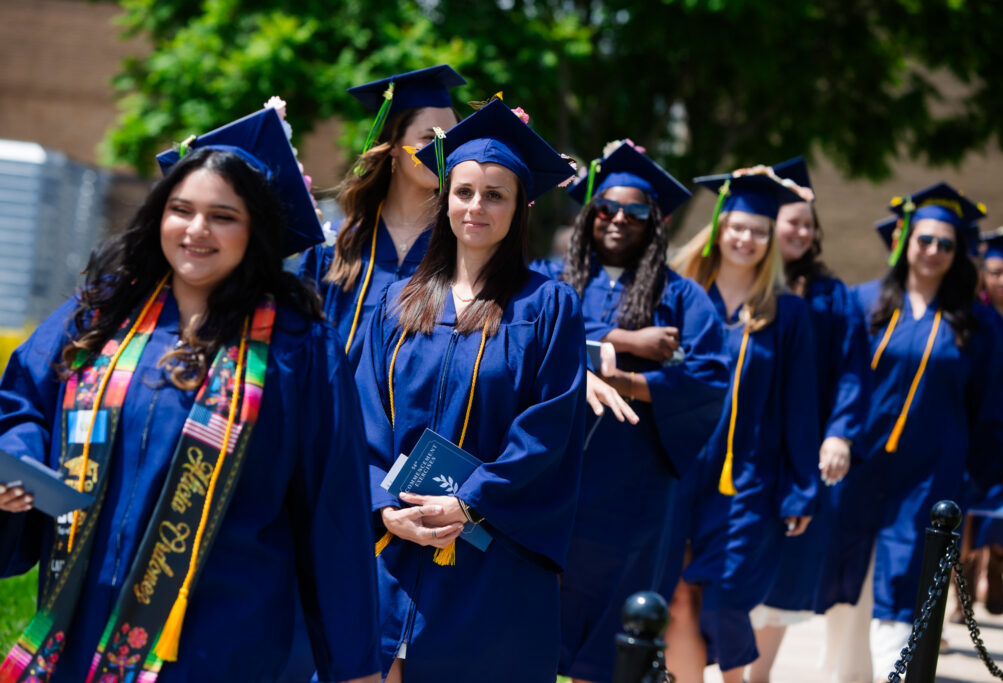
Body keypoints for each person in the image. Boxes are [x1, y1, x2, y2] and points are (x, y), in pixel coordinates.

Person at [0, 106, 380, 683]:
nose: (196, 230)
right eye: (182, 210)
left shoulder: (298, 348)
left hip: (218, 639)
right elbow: (22, 399)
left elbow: (333, 510)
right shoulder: (106, 315)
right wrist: (22, 462)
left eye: (222, 216)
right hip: (81, 618)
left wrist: (354, 666)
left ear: (256, 232)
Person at [355, 100, 585, 683]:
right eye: (463, 192)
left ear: (520, 207)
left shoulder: (547, 307)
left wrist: (470, 499)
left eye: (495, 194)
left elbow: (548, 428)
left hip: (492, 551)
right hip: (396, 542)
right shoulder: (397, 302)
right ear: (446, 198)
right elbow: (361, 414)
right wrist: (385, 505)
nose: (475, 207)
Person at [532, 141, 729, 683]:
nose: (619, 219)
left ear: (655, 222)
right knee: (535, 620)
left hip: (634, 496)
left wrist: (627, 381)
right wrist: (626, 338)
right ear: (589, 213)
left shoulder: (684, 297)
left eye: (636, 211)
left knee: (618, 630)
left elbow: (711, 380)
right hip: (552, 480)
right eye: (607, 208)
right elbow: (519, 341)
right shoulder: (549, 279)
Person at [850, 183, 1003, 680]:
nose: (933, 251)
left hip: (931, 467)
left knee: (905, 576)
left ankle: (892, 674)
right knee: (847, 582)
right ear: (905, 239)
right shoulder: (863, 303)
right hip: (859, 463)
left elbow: (995, 404)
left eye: (947, 244)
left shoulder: (977, 322)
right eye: (925, 239)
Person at [666, 168, 820, 683]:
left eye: (758, 230)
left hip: (746, 482)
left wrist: (802, 489)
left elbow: (801, 406)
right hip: (677, 471)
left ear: (771, 240)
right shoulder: (681, 297)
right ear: (718, 228)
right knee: (680, 598)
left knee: (726, 597)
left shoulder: (789, 314)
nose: (746, 239)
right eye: (736, 226)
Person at [748, 157, 869, 683]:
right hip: (742, 447)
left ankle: (758, 675)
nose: (798, 230)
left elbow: (851, 371)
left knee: (784, 568)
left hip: (800, 449)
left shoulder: (831, 296)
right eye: (788, 219)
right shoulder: (739, 287)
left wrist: (840, 433)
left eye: (806, 223)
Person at [298, 65, 464, 362]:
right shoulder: (336, 244)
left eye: (452, 139)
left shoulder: (459, 247)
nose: (443, 151)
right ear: (394, 146)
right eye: (429, 138)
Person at [955, 228, 1003, 619]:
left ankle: (995, 564)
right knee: (963, 515)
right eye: (996, 271)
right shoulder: (972, 317)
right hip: (976, 430)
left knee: (1001, 520)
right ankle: (961, 590)